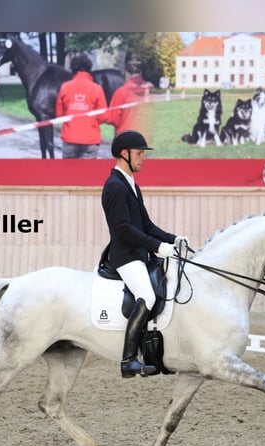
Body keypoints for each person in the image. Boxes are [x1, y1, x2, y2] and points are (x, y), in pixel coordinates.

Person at [101, 130, 186, 378]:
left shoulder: (131, 185)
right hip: (125, 255)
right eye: (139, 153)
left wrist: (173, 239)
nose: (143, 158)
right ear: (123, 154)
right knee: (147, 296)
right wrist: (158, 247)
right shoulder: (115, 186)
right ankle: (128, 360)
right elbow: (124, 228)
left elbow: (146, 225)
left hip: (139, 253)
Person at [55, 54, 108, 158]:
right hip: (90, 139)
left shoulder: (65, 87)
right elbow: (103, 116)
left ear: (73, 69)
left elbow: (59, 114)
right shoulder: (97, 88)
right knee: (87, 174)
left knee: (69, 173)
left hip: (70, 138)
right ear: (89, 68)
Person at [105, 59, 153, 136]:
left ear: (126, 73)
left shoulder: (121, 92)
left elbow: (112, 119)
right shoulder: (149, 89)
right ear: (140, 73)